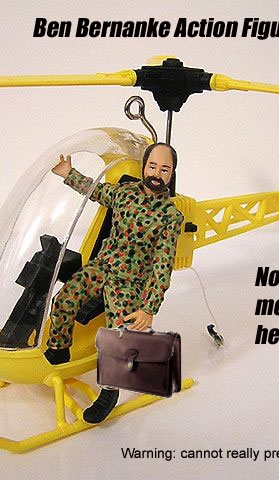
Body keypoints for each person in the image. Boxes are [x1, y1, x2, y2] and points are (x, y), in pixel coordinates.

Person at [45, 142, 183, 423]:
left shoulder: (170, 217)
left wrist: (149, 307)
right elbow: (95, 191)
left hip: (129, 282)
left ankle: (109, 391)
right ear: (144, 167)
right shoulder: (125, 193)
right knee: (64, 299)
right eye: (152, 166)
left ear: (171, 174)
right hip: (103, 266)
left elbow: (162, 266)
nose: (157, 174)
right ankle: (59, 350)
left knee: (117, 337)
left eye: (164, 169)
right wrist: (69, 172)